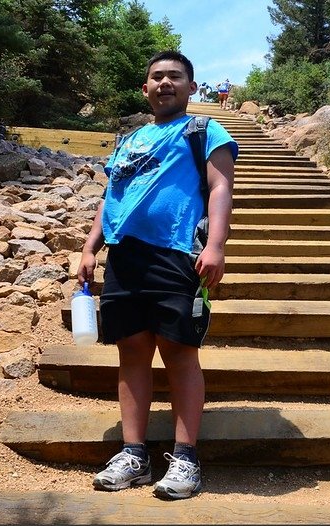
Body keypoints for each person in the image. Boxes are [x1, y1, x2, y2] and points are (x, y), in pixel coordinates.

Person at [78, 50, 238, 500]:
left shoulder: (204, 130)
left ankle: (185, 457)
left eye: (175, 76)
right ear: (145, 89)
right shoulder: (128, 140)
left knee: (180, 353)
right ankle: (134, 454)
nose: (165, 82)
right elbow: (112, 196)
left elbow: (221, 186)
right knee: (131, 352)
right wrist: (91, 247)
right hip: (125, 256)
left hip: (177, 254)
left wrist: (216, 246)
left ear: (192, 87)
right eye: (157, 77)